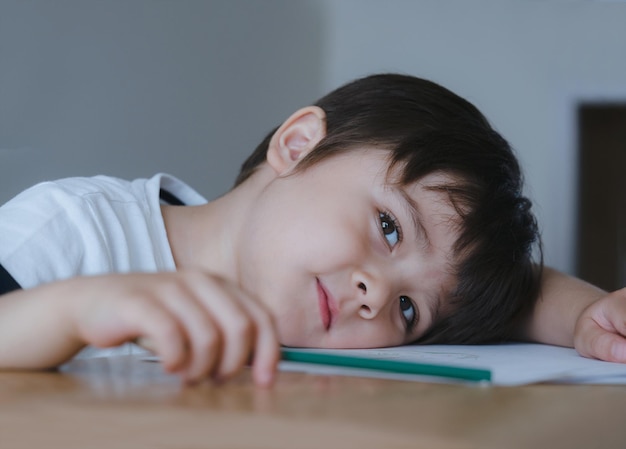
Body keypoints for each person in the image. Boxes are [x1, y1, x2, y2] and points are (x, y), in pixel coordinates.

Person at [0, 74, 623, 387]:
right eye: (388, 227)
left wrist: (588, 317)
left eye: (407, 310)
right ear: (297, 146)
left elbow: (505, 299)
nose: (375, 295)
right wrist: (77, 310)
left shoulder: (321, 343)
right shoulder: (76, 231)